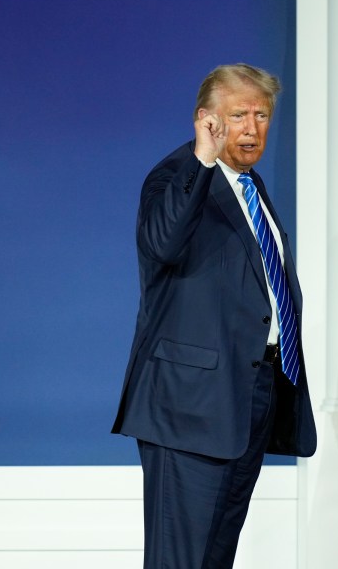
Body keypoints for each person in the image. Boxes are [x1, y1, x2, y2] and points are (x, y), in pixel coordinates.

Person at [111, 63, 317, 568]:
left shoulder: (251, 185)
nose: (251, 127)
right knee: (180, 560)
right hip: (190, 407)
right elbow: (161, 243)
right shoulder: (176, 177)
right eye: (238, 115)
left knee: (214, 557)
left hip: (249, 396)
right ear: (206, 121)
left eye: (261, 114)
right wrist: (201, 159)